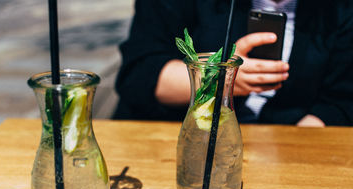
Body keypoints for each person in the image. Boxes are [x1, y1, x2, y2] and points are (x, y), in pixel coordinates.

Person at [113, 0, 353, 126]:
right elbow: (139, 75)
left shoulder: (340, 10)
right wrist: (219, 78)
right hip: (175, 137)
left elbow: (340, 101)